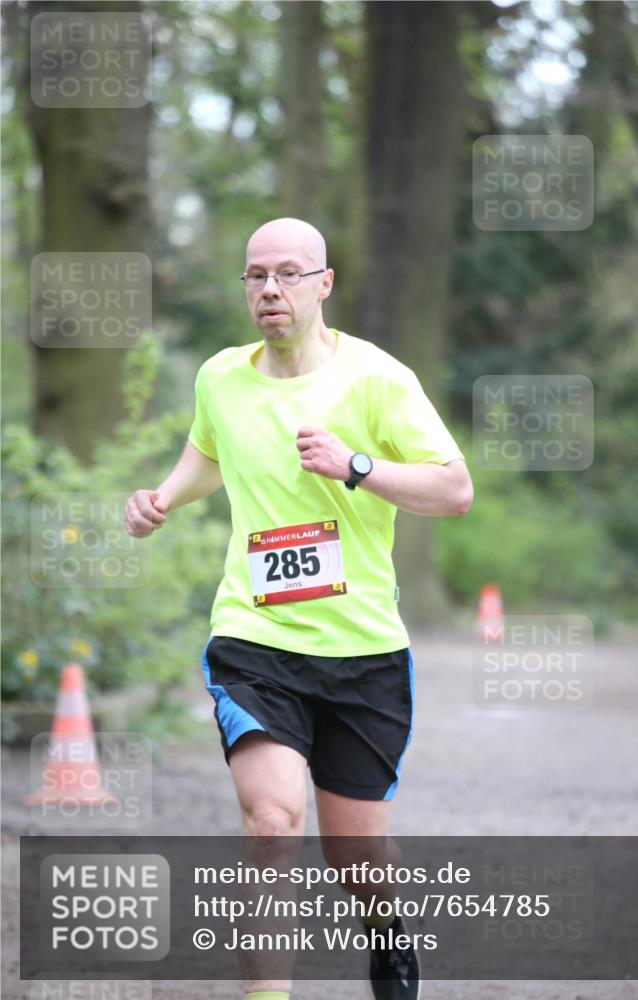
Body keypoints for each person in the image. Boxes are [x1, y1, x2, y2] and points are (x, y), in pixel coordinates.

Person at [124, 217, 473, 1000]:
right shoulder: (220, 377)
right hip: (255, 634)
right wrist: (162, 498)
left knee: (355, 859)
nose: (270, 289)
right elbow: (209, 452)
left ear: (324, 284)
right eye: (256, 275)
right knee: (272, 823)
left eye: (287, 273)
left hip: (361, 649)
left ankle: (386, 931)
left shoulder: (376, 378)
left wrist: (356, 465)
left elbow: (453, 489)